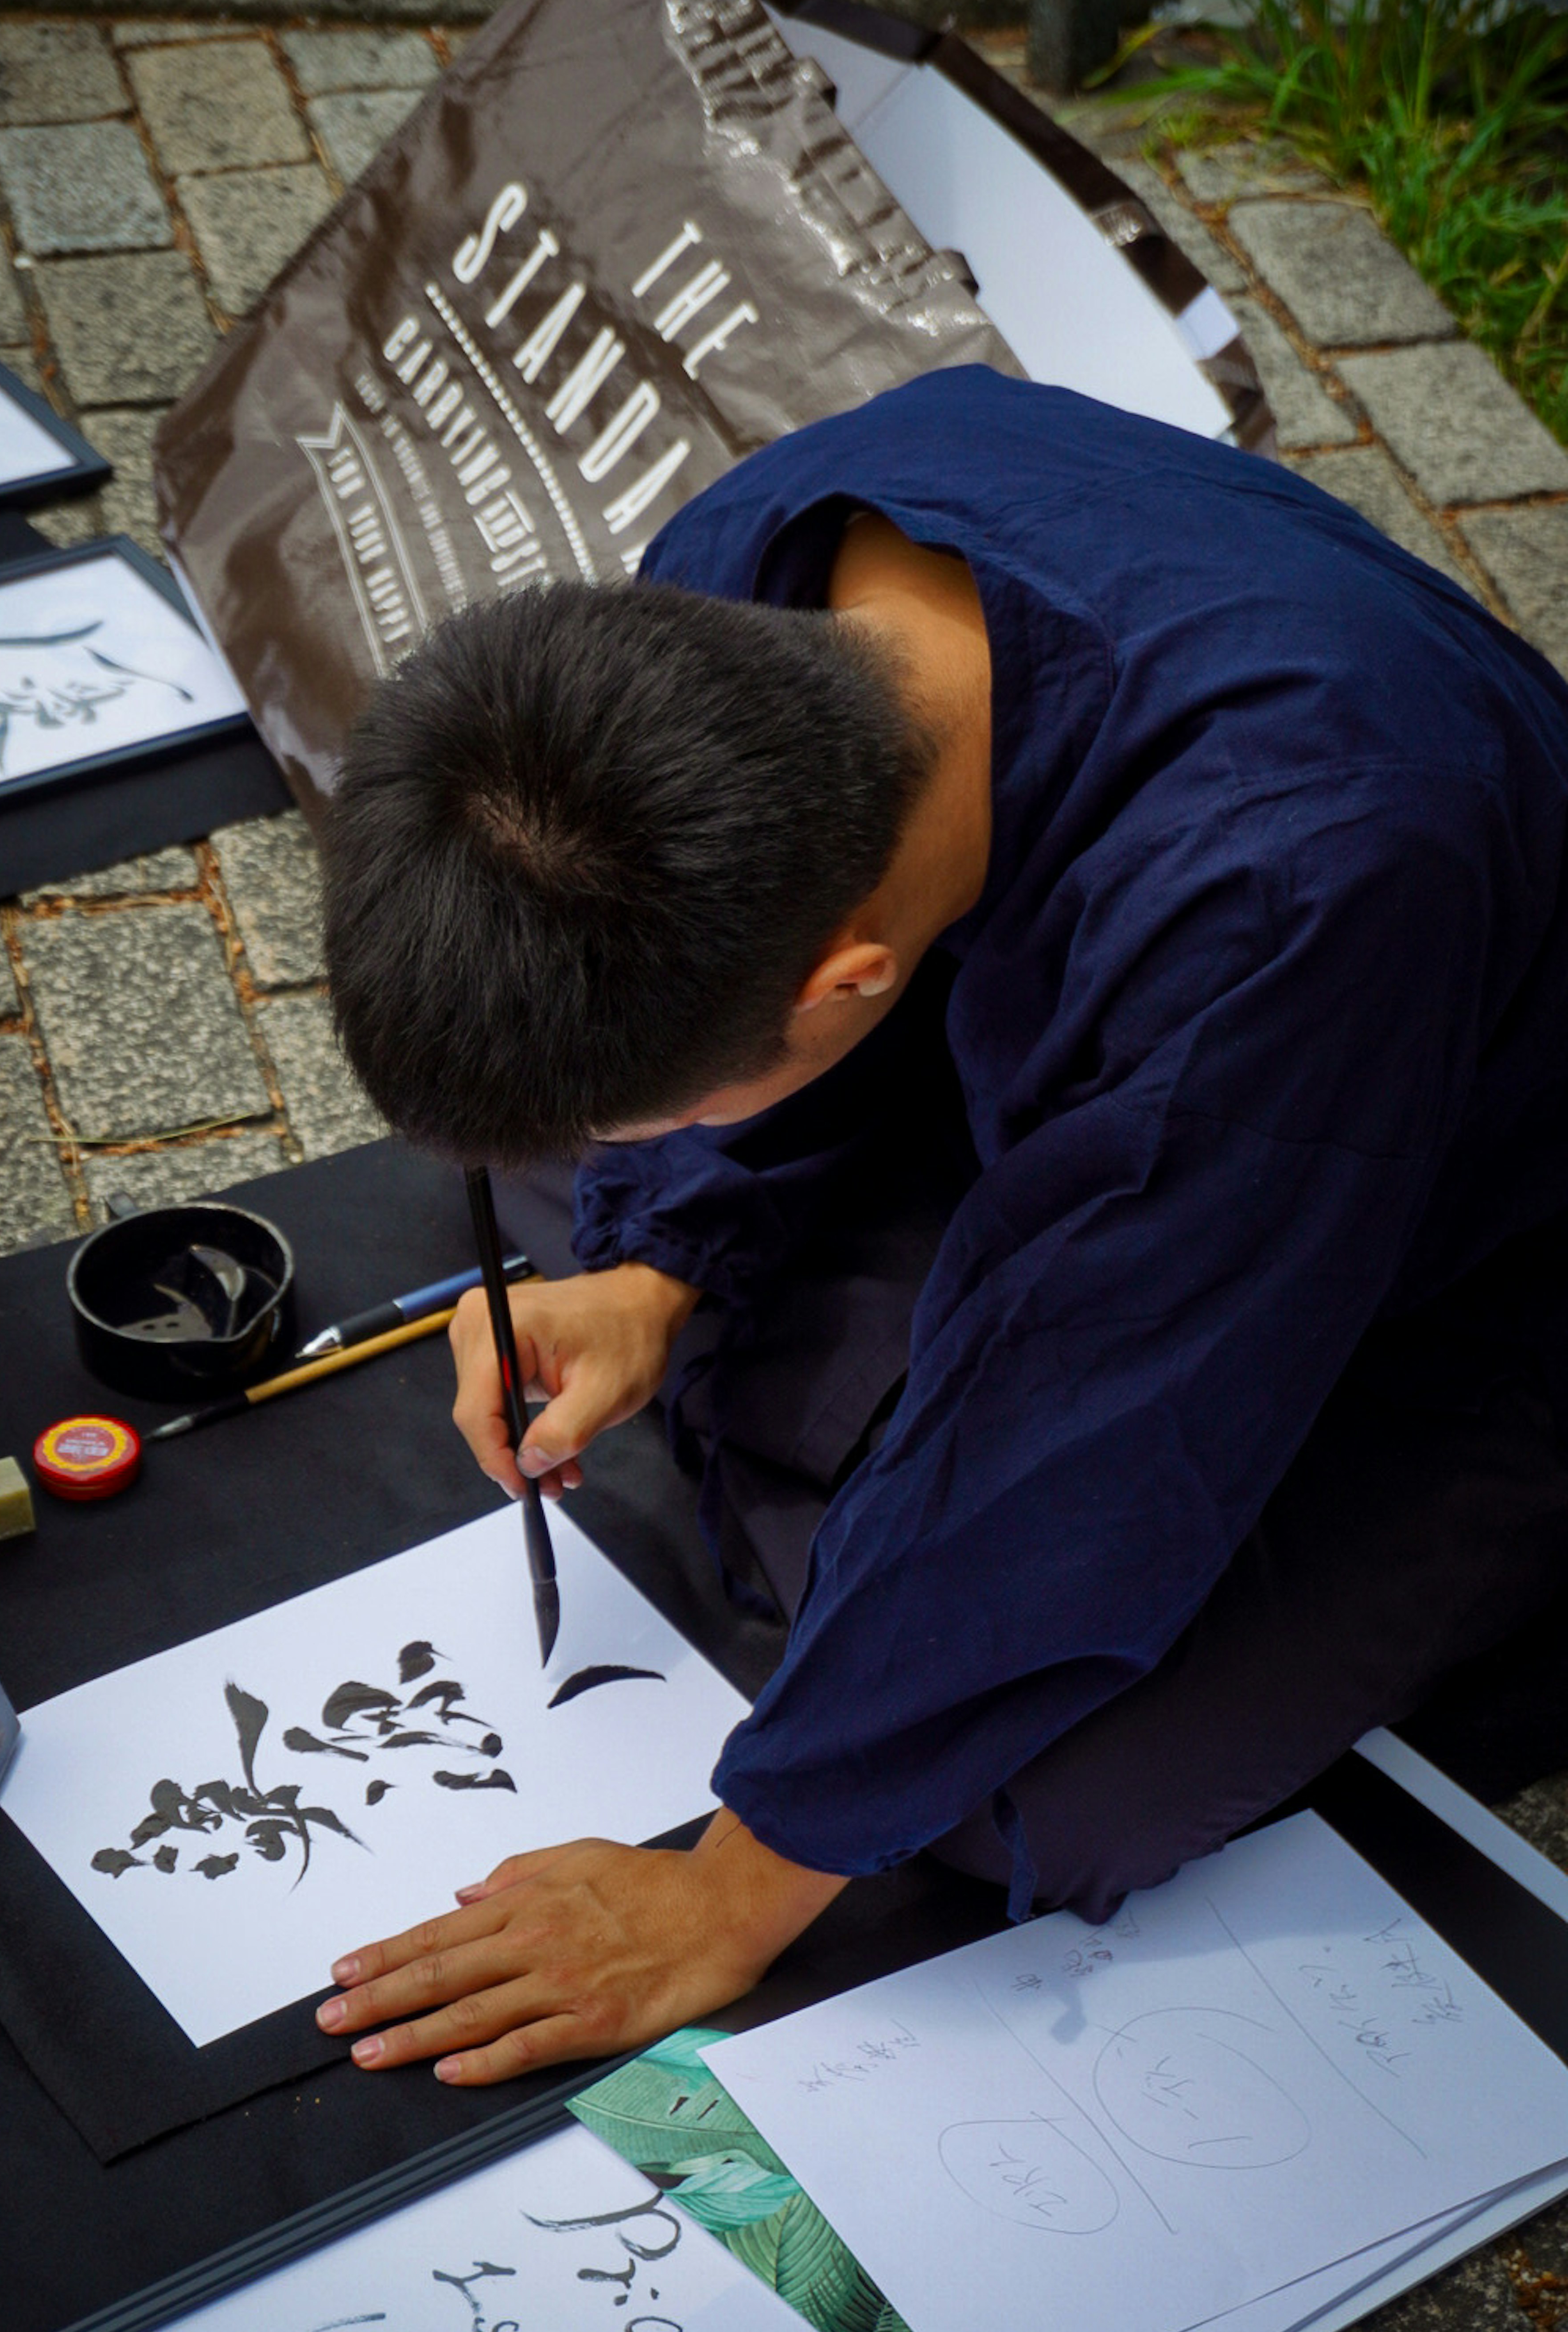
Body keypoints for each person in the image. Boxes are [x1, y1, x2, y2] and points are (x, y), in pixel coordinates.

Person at [312, 364, 1568, 2089]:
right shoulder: (756, 561)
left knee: (1042, 1795)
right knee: (569, 1187)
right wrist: (647, 1257)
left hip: (1460, 1222)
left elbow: (1104, 1430)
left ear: (853, 982)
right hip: (1107, 1068)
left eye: (680, 1109)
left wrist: (734, 1889)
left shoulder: (1296, 881)